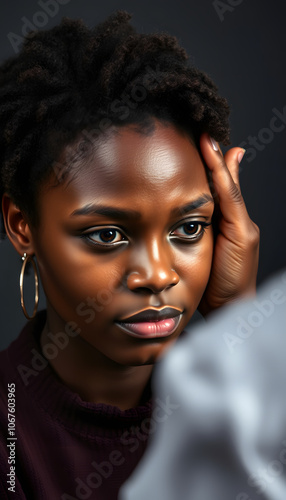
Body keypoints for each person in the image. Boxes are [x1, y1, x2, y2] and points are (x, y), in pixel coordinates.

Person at [0, 10, 259, 500]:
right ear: (22, 227)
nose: (158, 275)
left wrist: (236, 327)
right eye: (106, 236)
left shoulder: (238, 399)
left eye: (188, 228)